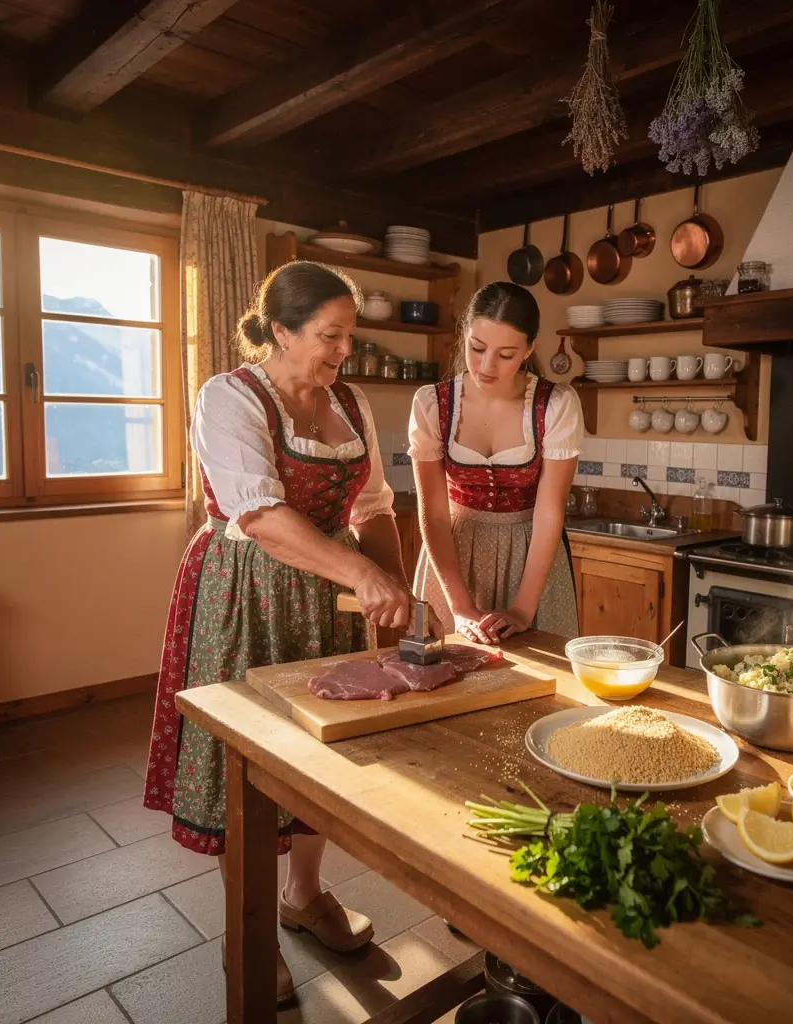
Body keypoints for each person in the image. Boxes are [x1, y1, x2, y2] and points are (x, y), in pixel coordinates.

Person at [143, 261, 410, 1005]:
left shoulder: (351, 401)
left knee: (318, 751)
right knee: (250, 765)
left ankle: (304, 895)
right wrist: (359, 577)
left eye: (348, 338)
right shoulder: (229, 396)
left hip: (329, 597)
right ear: (281, 331)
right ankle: (247, 926)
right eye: (330, 337)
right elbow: (257, 516)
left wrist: (399, 595)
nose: (342, 354)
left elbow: (373, 506)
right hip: (247, 592)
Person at [408, 281, 582, 644]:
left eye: (505, 354)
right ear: (465, 335)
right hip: (453, 558)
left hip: (530, 559)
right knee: (447, 678)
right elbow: (435, 514)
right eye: (477, 347)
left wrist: (522, 608)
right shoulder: (431, 404)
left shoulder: (555, 405)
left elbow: (549, 513)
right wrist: (459, 606)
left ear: (529, 348)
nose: (486, 365)